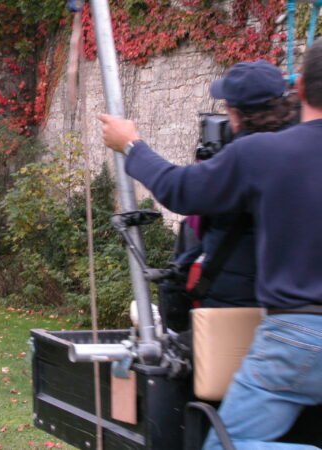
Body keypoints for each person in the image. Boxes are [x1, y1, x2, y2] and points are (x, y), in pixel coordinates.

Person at [99, 39, 322, 449]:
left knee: (224, 444)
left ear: (303, 88)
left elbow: (177, 188)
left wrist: (130, 144)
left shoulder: (262, 153)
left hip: (299, 333)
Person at [161, 60, 298, 334]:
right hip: (290, 308)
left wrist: (131, 144)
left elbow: (181, 195)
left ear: (238, 115)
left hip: (232, 310)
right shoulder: (302, 148)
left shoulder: (243, 158)